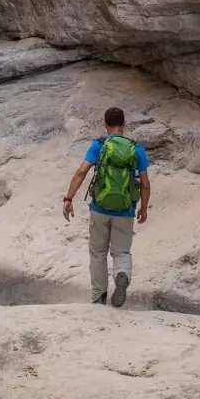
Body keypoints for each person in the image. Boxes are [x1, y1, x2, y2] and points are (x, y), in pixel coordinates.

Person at [61, 107, 150, 306]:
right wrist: (143, 208)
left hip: (99, 208)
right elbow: (145, 183)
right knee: (121, 252)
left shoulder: (98, 145)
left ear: (105, 124)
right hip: (125, 210)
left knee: (98, 252)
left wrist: (68, 199)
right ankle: (121, 274)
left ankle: (99, 296)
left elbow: (81, 172)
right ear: (124, 125)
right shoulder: (136, 149)